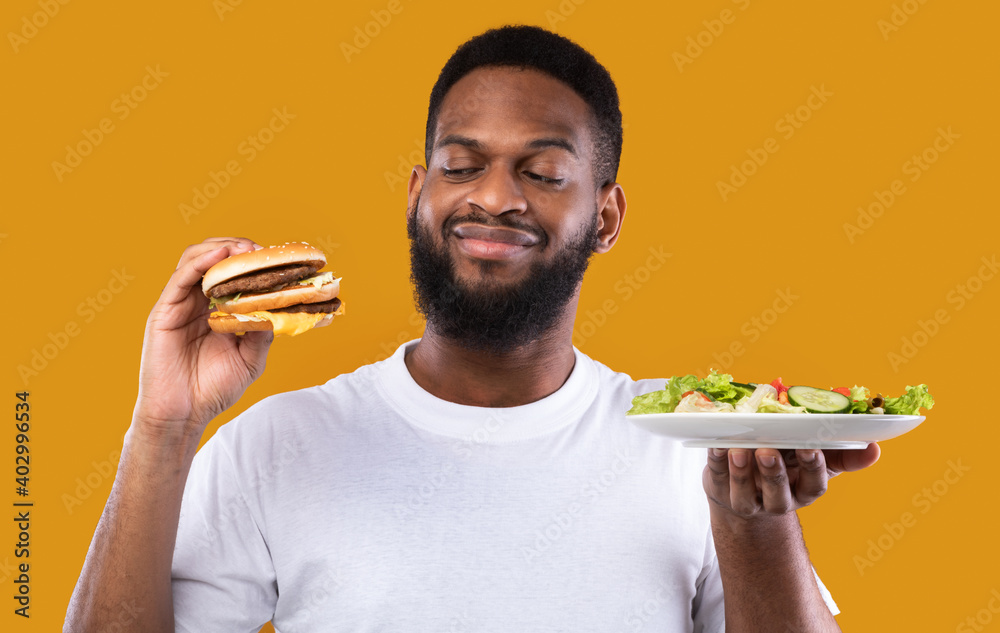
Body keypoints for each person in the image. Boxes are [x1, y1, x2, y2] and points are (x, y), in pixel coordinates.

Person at [65, 25, 879, 632]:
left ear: (606, 214)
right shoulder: (276, 444)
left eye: (544, 171)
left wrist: (755, 521)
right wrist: (163, 427)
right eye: (461, 165)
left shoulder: (693, 437)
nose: (493, 196)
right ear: (418, 193)